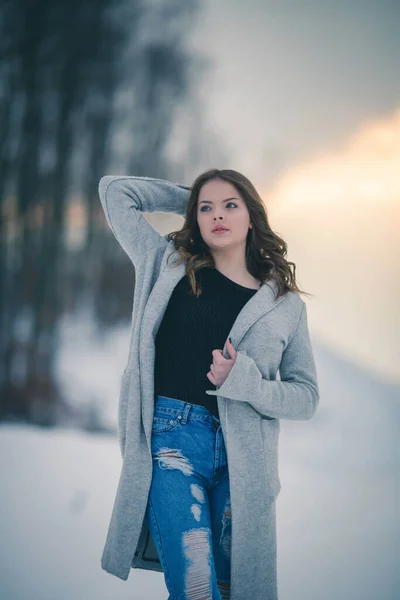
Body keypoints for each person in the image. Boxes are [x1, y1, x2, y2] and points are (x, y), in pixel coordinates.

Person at [98, 168, 320, 600]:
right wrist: (195, 197)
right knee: (196, 590)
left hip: (244, 462)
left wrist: (248, 384)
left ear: (253, 215)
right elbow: (116, 192)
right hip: (171, 445)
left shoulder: (284, 305)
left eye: (231, 206)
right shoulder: (167, 263)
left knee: (229, 589)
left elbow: (306, 397)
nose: (218, 215)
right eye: (207, 209)